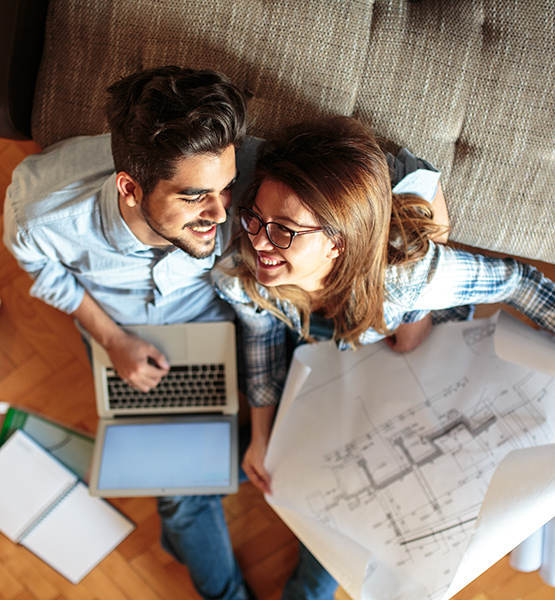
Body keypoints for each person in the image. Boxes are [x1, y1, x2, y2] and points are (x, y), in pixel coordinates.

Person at [2, 66, 336, 600]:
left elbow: (394, 172)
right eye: (195, 198)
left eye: (226, 190)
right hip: (128, 340)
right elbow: (43, 272)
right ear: (131, 189)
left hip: (233, 320)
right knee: (183, 495)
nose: (221, 212)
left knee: (339, 442)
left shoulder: (249, 172)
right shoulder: (42, 211)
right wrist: (112, 340)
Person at [212, 116, 555, 496]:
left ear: (336, 243)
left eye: (284, 230)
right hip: (314, 352)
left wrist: (417, 316)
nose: (258, 243)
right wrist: (260, 436)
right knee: (232, 468)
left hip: (400, 361)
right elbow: (261, 341)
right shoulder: (240, 273)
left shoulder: (405, 280)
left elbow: (518, 282)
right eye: (256, 218)